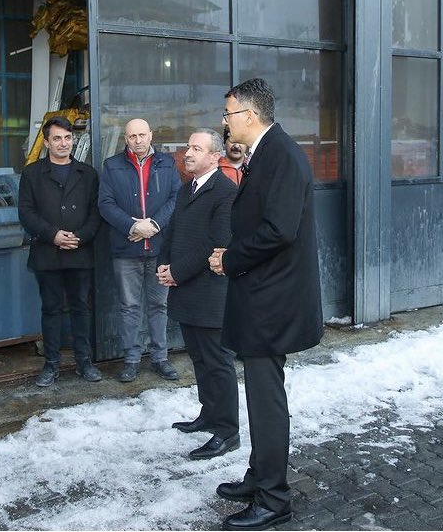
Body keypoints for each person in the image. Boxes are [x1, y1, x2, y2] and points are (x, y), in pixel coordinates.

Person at [209, 78, 323, 530]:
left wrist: (230, 258)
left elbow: (279, 230)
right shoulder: (268, 152)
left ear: (249, 116)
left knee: (266, 401)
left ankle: (274, 499)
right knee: (259, 399)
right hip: (262, 295)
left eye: (228, 113)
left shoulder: (281, 155)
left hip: (271, 302)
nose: (224, 121)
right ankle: (259, 477)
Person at [157, 128, 240, 460]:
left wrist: (177, 271)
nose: (187, 153)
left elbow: (216, 242)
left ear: (214, 157)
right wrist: (164, 263)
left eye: (195, 148)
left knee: (217, 362)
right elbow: (174, 229)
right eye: (186, 146)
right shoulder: (186, 188)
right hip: (186, 291)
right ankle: (209, 414)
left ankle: (227, 430)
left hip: (210, 293)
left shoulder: (226, 192)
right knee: (199, 359)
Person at [18, 116, 102, 387]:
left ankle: (84, 362)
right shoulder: (32, 173)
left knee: (82, 308)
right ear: (47, 142)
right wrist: (53, 235)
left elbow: (96, 212)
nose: (63, 143)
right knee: (51, 309)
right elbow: (26, 212)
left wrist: (79, 237)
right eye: (57, 138)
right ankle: (51, 365)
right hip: (47, 253)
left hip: (80, 251)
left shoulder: (88, 174)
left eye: (68, 138)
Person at [99, 118, 181, 383]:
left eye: (142, 135)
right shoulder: (112, 166)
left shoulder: (167, 163)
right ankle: (131, 360)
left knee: (159, 305)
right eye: (132, 136)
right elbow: (106, 204)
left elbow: (175, 198)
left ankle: (160, 358)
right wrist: (132, 227)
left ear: (151, 135)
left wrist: (155, 224)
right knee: (129, 307)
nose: (137, 140)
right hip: (127, 247)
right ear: (126, 138)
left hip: (160, 247)